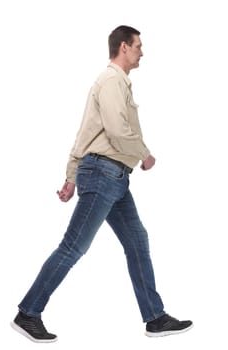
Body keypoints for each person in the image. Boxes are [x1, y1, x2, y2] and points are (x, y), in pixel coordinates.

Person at [11, 25, 193, 343]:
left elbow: (85, 132)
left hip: (114, 177)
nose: (142, 51)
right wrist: (145, 155)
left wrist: (70, 176)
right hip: (104, 174)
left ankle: (155, 317)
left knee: (137, 241)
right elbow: (117, 130)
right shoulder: (111, 81)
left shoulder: (114, 82)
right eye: (138, 46)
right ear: (124, 47)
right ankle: (28, 312)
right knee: (73, 246)